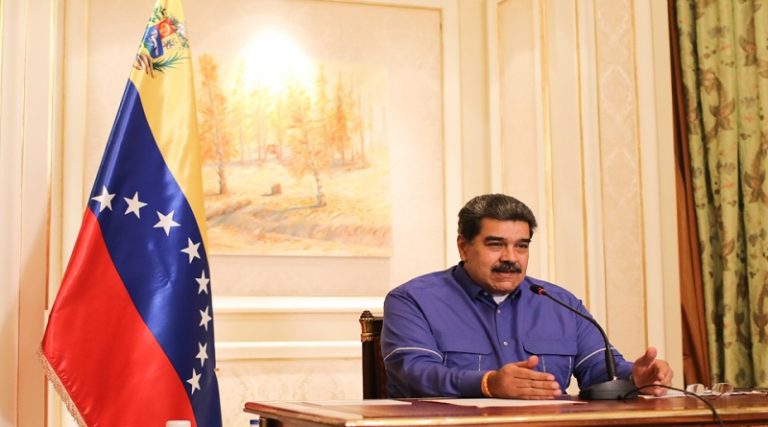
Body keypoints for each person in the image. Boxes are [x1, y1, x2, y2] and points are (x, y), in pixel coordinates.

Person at [380, 193, 673, 399]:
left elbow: (600, 368)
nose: (511, 257)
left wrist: (637, 378)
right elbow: (414, 374)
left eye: (521, 246)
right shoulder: (413, 300)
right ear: (463, 247)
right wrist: (488, 384)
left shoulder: (559, 302)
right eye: (496, 244)